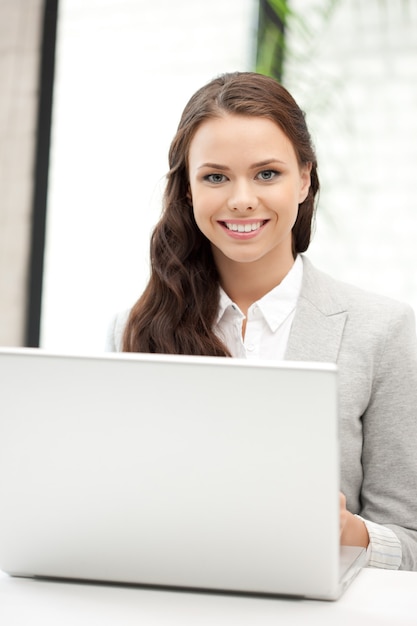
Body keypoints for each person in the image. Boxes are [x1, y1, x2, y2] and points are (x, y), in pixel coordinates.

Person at [106, 71, 417, 571]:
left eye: (267, 173)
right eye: (215, 176)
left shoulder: (381, 330)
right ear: (187, 190)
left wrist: (347, 531)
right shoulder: (133, 329)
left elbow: (411, 543)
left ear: (305, 179)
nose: (242, 198)